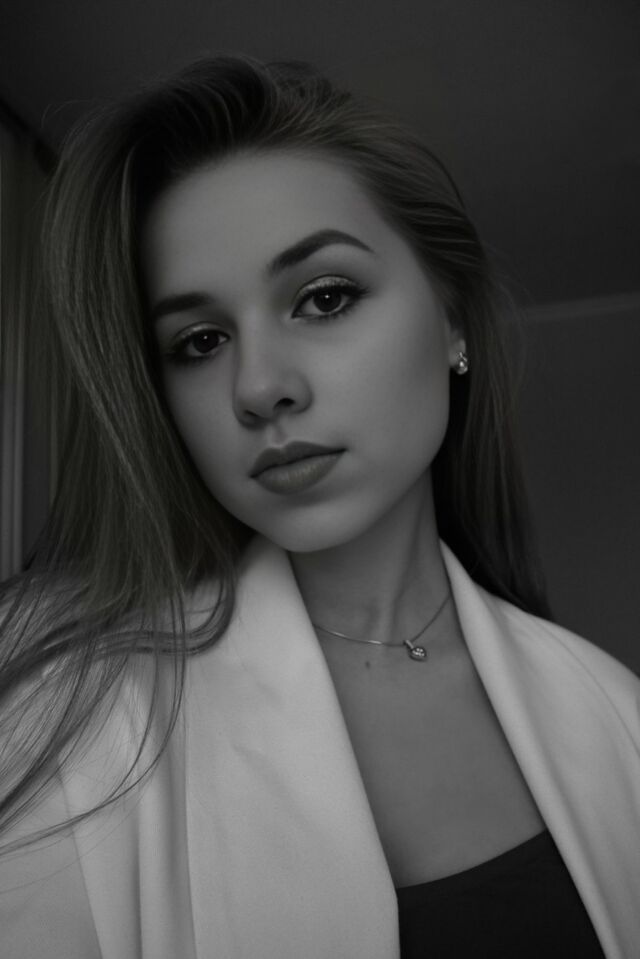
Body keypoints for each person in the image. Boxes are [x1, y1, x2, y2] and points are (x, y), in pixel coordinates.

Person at [0, 54, 638, 959]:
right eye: (200, 341)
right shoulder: (67, 714)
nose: (259, 387)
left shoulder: (616, 715)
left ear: (452, 320)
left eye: (324, 297)